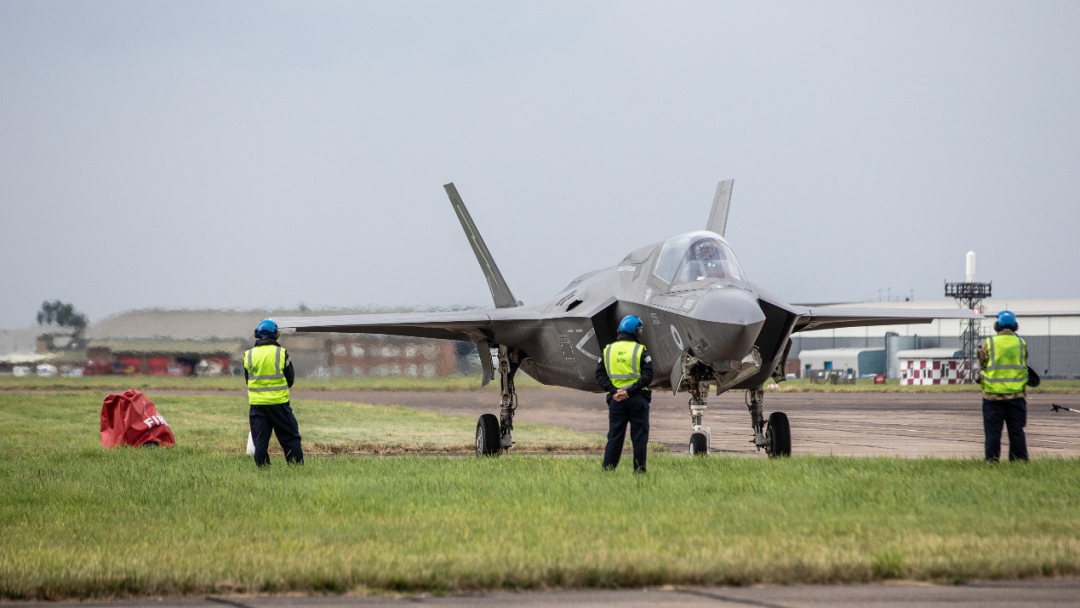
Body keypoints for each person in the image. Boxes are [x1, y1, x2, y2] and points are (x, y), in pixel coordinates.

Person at [596, 315, 653, 472]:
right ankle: (639, 471)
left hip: (616, 401)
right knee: (639, 438)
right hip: (637, 400)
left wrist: (614, 391)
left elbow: (599, 375)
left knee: (614, 437)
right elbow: (648, 376)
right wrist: (629, 391)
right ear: (635, 331)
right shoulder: (640, 351)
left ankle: (608, 470)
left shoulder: (608, 351)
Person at [243, 318, 304, 466]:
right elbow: (290, 378)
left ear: (257, 334)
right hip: (279, 404)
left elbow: (247, 379)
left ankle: (263, 470)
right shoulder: (281, 353)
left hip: (257, 405)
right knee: (290, 438)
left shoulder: (248, 355)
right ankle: (296, 468)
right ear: (275, 334)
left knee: (260, 442)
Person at [977, 310, 1029, 462]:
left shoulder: (990, 343)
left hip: (993, 396)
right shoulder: (1021, 343)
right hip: (1016, 395)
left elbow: (982, 362)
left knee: (993, 432)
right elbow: (1024, 361)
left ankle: (992, 461)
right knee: (1016, 431)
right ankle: (1018, 460)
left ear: (997, 326)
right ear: (1015, 327)